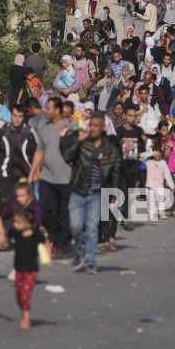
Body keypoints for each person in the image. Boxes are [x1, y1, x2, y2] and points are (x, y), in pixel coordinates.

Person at [61, 112, 122, 275]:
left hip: (96, 193)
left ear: (103, 127)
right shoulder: (83, 141)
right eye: (91, 125)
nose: (93, 129)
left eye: (96, 126)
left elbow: (115, 173)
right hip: (78, 190)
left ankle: (91, 262)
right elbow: (67, 156)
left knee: (92, 228)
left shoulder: (110, 148)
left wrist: (114, 195)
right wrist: (78, 140)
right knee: (75, 226)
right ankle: (81, 250)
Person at [28, 98, 73, 258]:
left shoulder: (71, 127)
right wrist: (32, 172)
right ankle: (56, 237)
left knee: (64, 213)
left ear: (57, 111)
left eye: (47, 108)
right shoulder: (44, 128)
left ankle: (62, 244)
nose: (44, 111)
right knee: (44, 210)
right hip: (47, 177)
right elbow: (40, 152)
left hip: (67, 178)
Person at [10, 207, 49, 329]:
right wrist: (2, 238)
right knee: (19, 296)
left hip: (31, 269)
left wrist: (48, 255)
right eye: (15, 221)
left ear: (29, 224)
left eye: (18, 222)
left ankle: (26, 319)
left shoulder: (36, 235)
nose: (15, 225)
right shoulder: (15, 233)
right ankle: (23, 314)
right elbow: (4, 236)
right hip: (18, 268)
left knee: (25, 295)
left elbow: (46, 241)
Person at [144, 143, 174, 221]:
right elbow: (141, 155)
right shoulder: (147, 161)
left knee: (161, 199)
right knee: (150, 200)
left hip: (160, 185)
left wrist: (172, 186)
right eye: (155, 151)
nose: (157, 153)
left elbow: (167, 174)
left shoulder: (163, 162)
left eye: (159, 151)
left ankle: (162, 212)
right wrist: (150, 152)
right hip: (150, 185)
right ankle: (151, 213)